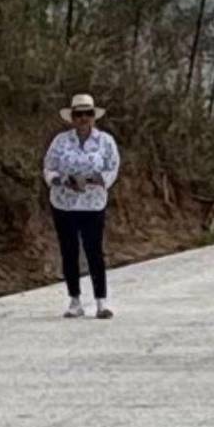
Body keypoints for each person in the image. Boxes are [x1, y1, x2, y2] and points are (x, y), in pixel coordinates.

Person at [42, 94, 121, 319]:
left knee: (94, 250)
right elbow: (49, 167)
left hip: (92, 203)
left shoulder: (105, 141)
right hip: (64, 203)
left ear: (94, 117)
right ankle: (74, 300)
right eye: (79, 114)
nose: (83, 118)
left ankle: (101, 301)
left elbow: (112, 167)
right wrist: (63, 180)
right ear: (72, 117)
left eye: (88, 114)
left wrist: (96, 180)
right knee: (69, 251)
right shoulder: (60, 141)